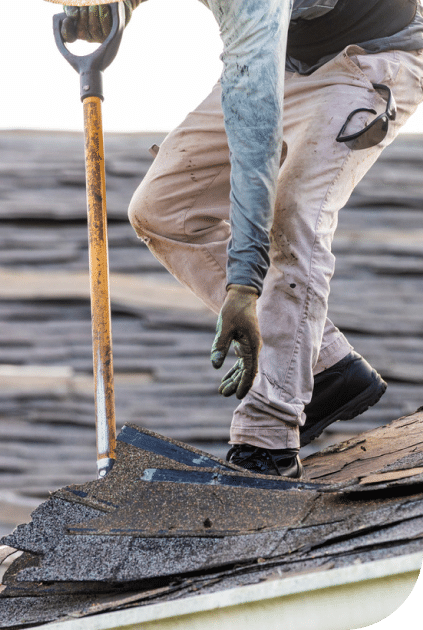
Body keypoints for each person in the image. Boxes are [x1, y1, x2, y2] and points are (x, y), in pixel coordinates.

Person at [51, 0, 423, 478]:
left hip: (368, 59)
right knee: (161, 208)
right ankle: (327, 367)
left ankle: (267, 444)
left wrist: (243, 285)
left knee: (292, 215)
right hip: (283, 53)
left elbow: (256, 147)